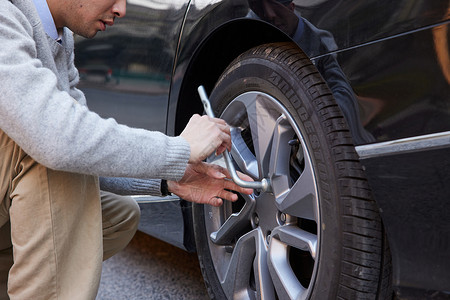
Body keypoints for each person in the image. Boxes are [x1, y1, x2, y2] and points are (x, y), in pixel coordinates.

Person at [0, 0, 253, 299]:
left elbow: (81, 154)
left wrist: (168, 178)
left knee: (118, 216)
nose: (122, 9)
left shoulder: (57, 36)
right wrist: (179, 149)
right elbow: (59, 140)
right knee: (54, 165)